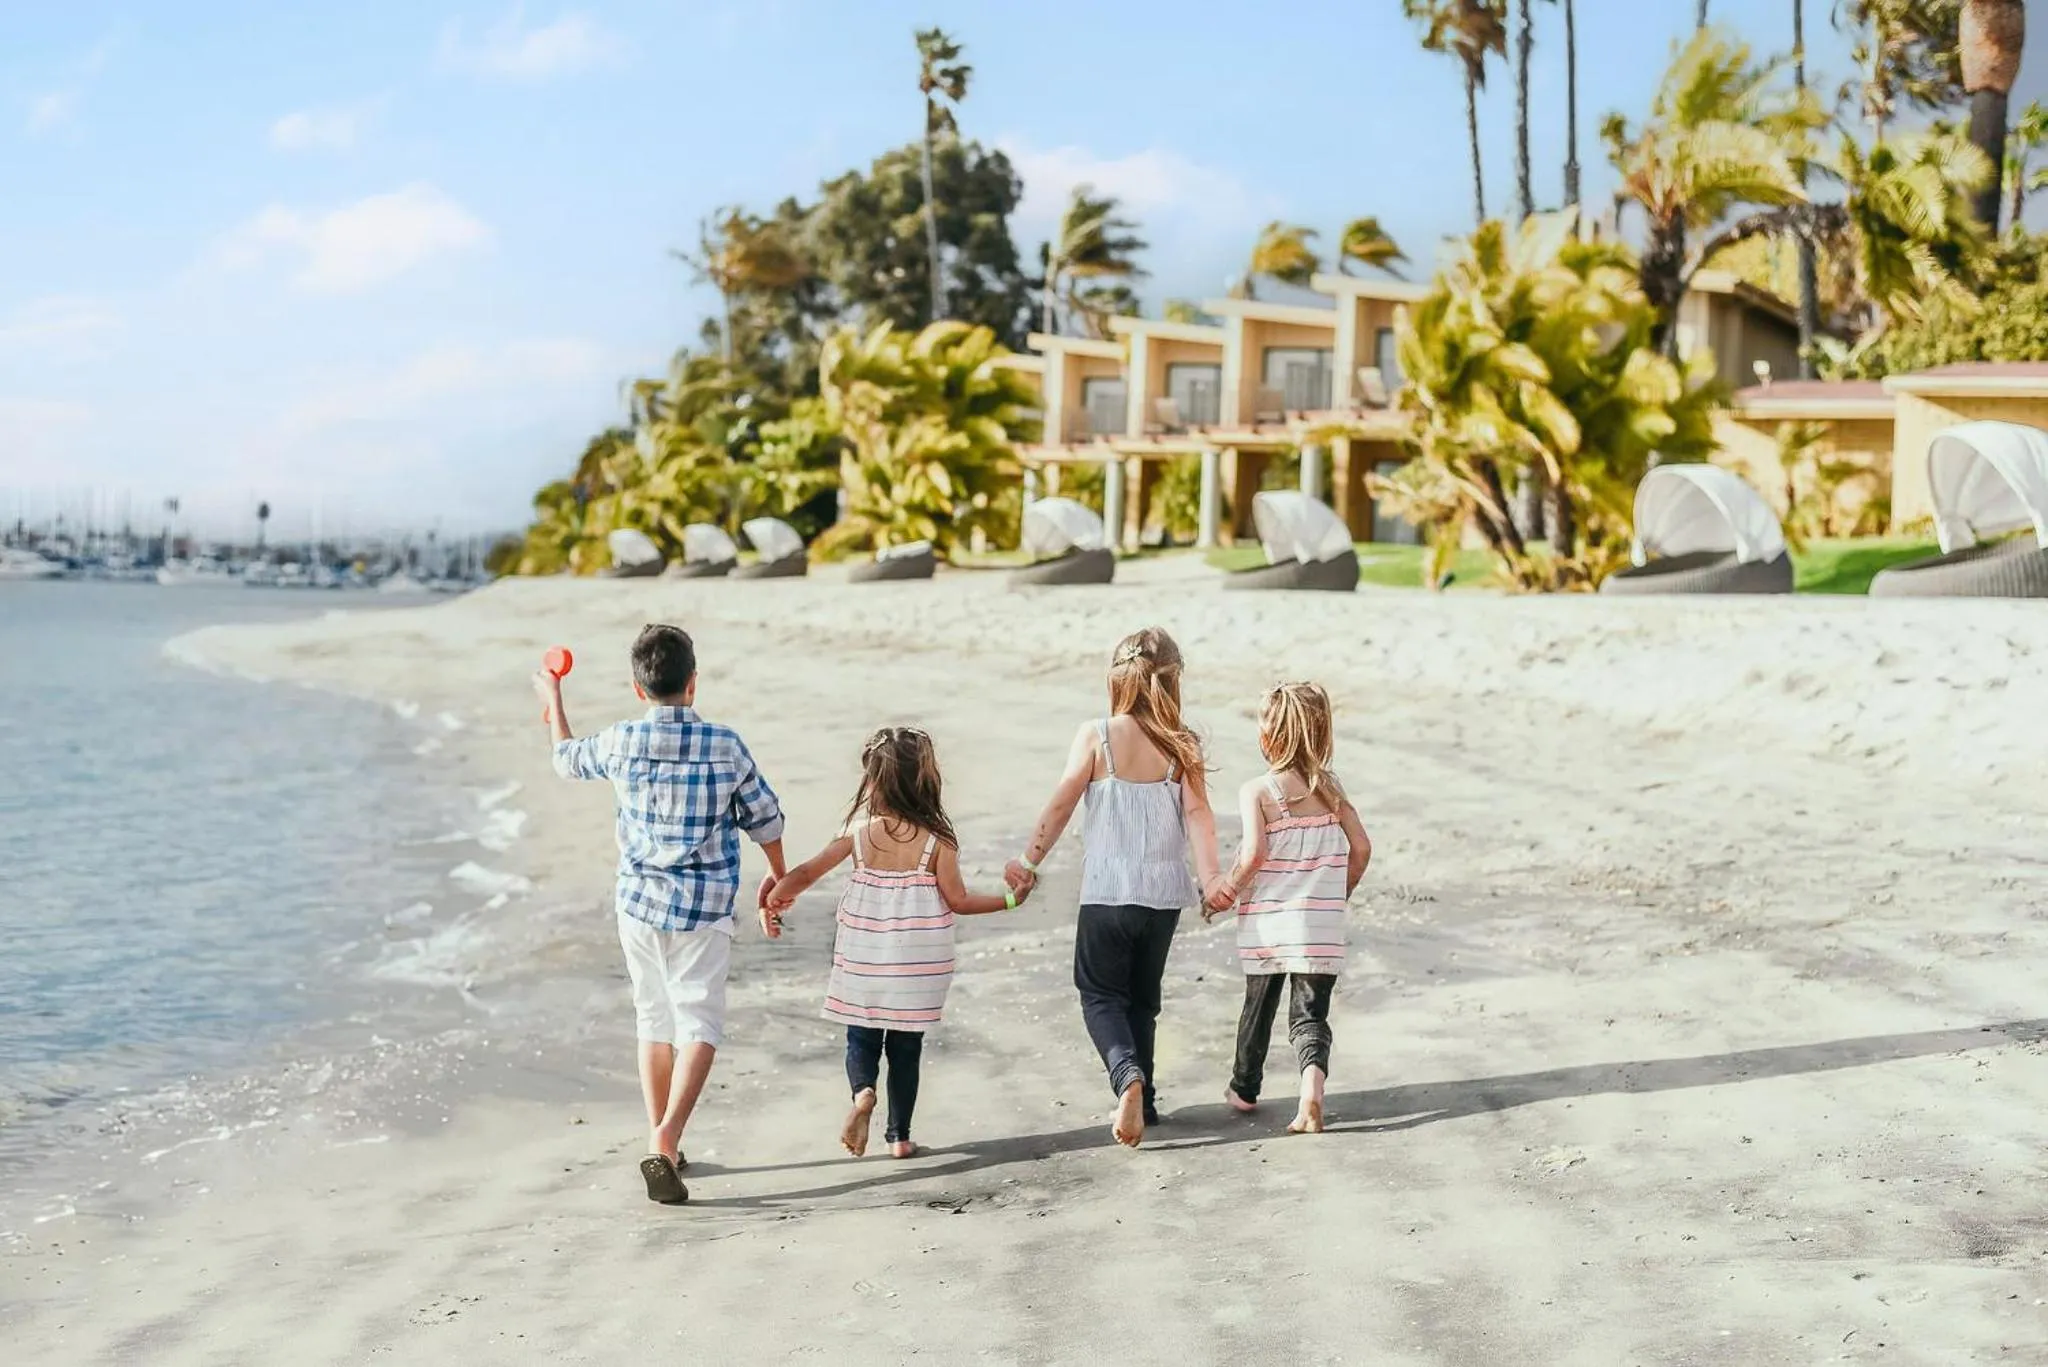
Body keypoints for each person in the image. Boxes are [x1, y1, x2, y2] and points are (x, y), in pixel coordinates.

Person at [535, 623, 786, 1205]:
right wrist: (778, 875)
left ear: (637, 688)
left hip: (640, 905)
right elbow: (765, 819)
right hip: (704, 907)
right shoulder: (726, 744)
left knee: (654, 1019)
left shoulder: (621, 741)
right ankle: (668, 1136)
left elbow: (565, 759)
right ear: (692, 684)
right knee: (699, 1021)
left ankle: (664, 1144)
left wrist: (553, 699)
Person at [1006, 627, 1225, 1149]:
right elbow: (1199, 815)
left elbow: (1061, 804)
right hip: (1162, 896)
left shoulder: (1097, 735)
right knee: (1142, 1001)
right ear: (1172, 683)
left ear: (1116, 680)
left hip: (1107, 892)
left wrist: (1028, 860)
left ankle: (1127, 1076)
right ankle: (1145, 1102)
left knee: (1100, 994)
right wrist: (1211, 877)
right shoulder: (1182, 745)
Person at [765, 727, 1023, 1159]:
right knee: (906, 1047)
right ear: (926, 781)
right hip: (918, 965)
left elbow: (809, 872)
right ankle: (899, 1138)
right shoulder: (938, 841)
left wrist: (775, 896)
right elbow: (958, 901)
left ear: (873, 781)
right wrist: (1011, 899)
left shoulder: (858, 831)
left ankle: (863, 1094)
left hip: (864, 960)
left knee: (861, 1039)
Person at [1203, 681, 1372, 1135]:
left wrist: (1228, 890)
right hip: (1320, 924)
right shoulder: (1331, 790)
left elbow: (1254, 854)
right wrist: (1339, 893)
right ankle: (1311, 1091)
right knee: (1310, 1015)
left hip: (1268, 924)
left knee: (1257, 1007)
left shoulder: (1258, 791)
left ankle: (1244, 1088)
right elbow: (1361, 847)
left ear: (1269, 738)